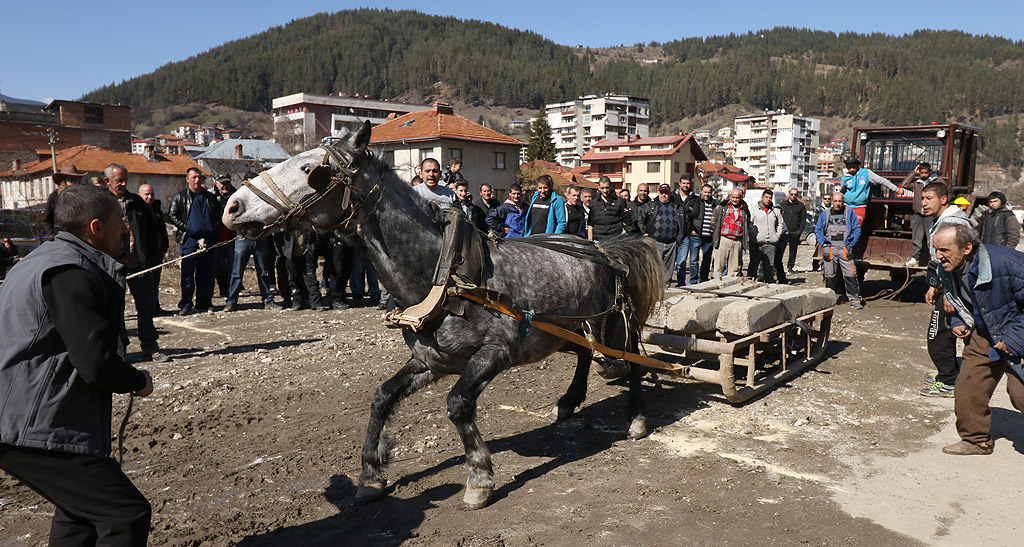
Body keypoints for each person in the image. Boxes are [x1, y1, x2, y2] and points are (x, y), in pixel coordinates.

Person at [0, 184, 155, 545]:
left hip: (25, 416)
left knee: (79, 516)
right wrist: (137, 380)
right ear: (96, 227)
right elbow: (96, 363)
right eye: (121, 222)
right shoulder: (70, 272)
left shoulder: (41, 259)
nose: (126, 229)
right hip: (29, 424)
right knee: (126, 514)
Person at [932, 223, 1024, 455]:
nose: (938, 256)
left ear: (966, 248)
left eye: (944, 250)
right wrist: (959, 322)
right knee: (969, 386)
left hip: (1018, 330)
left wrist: (1014, 340)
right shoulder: (947, 268)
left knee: (1020, 393)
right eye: (936, 249)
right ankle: (976, 441)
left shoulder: (1006, 263)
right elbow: (957, 301)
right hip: (986, 332)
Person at [104, 164, 169, 362]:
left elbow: (153, 232)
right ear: (107, 182)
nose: (123, 184)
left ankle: (150, 346)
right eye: (118, 181)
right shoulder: (100, 204)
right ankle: (120, 352)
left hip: (138, 265)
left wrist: (150, 259)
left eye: (125, 180)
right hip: (111, 267)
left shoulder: (137, 203)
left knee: (145, 307)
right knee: (115, 310)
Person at [919, 181, 974, 397]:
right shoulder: (943, 220)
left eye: (928, 198)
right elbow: (938, 263)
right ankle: (947, 374)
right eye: (922, 198)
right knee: (943, 333)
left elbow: (957, 264)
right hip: (947, 285)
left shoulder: (951, 223)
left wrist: (951, 294)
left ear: (943, 200)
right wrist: (934, 285)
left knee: (938, 335)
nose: (923, 203)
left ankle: (949, 381)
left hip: (955, 289)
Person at [168, 167, 221, 315]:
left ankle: (204, 302)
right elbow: (172, 215)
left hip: (208, 240)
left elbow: (219, 216)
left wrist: (213, 229)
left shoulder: (210, 197)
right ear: (187, 179)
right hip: (189, 240)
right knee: (187, 273)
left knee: (206, 274)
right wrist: (188, 228)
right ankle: (186, 303)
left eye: (199, 177)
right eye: (194, 177)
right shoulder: (180, 197)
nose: (197, 180)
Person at [815, 191, 865, 309]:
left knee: (851, 275)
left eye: (840, 201)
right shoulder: (825, 214)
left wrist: (851, 244)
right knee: (829, 276)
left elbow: (857, 229)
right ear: (832, 202)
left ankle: (855, 300)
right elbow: (818, 230)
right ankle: (829, 300)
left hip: (845, 249)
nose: (837, 204)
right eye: (835, 201)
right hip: (830, 249)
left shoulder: (850, 213)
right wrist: (823, 243)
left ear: (843, 202)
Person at [636, 183, 686, 283]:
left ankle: (666, 287)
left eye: (666, 193)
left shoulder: (677, 207)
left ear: (670, 193)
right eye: (662, 192)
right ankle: (654, 288)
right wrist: (644, 232)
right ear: (658, 192)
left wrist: (679, 238)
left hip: (671, 243)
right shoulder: (651, 205)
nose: (664, 195)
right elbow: (640, 218)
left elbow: (685, 222)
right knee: (654, 267)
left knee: (668, 270)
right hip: (655, 242)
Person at [138, 184, 170, 315]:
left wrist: (164, 246)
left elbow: (162, 230)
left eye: (151, 194)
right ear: (140, 195)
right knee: (144, 283)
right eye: (146, 194)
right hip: (142, 253)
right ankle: (145, 308)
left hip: (156, 252)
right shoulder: (137, 210)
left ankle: (155, 306)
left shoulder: (156, 209)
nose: (149, 197)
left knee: (155, 281)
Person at [840, 156, 899, 226]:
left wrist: (896, 189)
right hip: (847, 205)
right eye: (849, 167)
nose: (852, 169)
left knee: (856, 227)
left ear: (857, 165)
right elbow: (842, 191)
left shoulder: (866, 173)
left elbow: (881, 180)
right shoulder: (844, 178)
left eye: (854, 167)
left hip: (860, 206)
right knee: (846, 226)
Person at [899, 162, 939, 267]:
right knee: (916, 237)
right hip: (918, 214)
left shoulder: (935, 182)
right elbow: (904, 184)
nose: (924, 175)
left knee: (931, 237)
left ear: (930, 172)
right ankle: (915, 258)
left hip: (930, 215)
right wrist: (913, 173)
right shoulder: (917, 183)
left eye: (926, 173)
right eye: (921, 173)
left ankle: (933, 259)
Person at [748, 189, 786, 283]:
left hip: (770, 244)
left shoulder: (775, 211)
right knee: (754, 264)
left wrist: (776, 236)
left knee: (769, 266)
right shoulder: (753, 210)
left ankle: (769, 283)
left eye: (770, 198)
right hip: (756, 243)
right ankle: (750, 283)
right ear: (762, 197)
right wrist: (754, 236)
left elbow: (781, 223)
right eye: (766, 197)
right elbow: (749, 224)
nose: (768, 200)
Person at [712, 188, 749, 279]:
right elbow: (713, 222)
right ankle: (716, 284)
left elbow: (747, 224)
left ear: (741, 198)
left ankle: (730, 287)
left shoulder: (744, 209)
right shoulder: (722, 207)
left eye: (737, 198)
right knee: (718, 266)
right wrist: (717, 234)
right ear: (729, 197)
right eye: (733, 197)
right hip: (723, 239)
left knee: (734, 268)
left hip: (737, 241)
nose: (735, 200)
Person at [42, 164, 86, 239]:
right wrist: (52, 236)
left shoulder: (84, 196)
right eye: (71, 180)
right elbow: (46, 219)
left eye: (76, 179)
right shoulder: (54, 197)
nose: (74, 183)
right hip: (61, 238)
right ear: (64, 181)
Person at [212, 174, 236, 298]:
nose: (225, 186)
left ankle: (231, 291)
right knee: (218, 267)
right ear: (216, 184)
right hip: (216, 237)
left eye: (227, 183)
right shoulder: (211, 197)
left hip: (232, 237)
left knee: (232, 266)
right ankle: (223, 289)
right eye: (222, 183)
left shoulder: (236, 195)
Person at [688, 184, 717, 283]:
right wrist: (691, 229)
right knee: (693, 260)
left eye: (709, 192)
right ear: (701, 192)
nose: (707, 194)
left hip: (709, 236)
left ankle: (703, 280)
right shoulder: (695, 202)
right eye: (705, 192)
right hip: (696, 235)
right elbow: (689, 217)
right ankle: (693, 280)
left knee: (706, 260)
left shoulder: (715, 204)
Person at [588, 176, 628, 242]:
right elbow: (590, 224)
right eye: (602, 188)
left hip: (615, 240)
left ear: (611, 186)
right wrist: (590, 240)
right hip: (598, 240)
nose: (605, 190)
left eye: (607, 188)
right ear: (599, 188)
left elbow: (626, 221)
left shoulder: (620, 201)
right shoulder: (593, 203)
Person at [780, 188, 806, 274]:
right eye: (792, 194)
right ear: (789, 194)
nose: (793, 196)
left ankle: (790, 267)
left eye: (795, 194)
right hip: (784, 232)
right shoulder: (783, 205)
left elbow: (803, 219)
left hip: (795, 232)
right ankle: (777, 266)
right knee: (780, 250)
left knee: (793, 251)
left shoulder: (801, 206)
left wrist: (800, 231)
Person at [811, 193, 831, 273]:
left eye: (829, 199)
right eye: (825, 199)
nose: (827, 200)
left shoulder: (832, 209)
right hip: (820, 233)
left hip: (829, 233)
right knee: (818, 249)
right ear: (823, 199)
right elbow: (814, 221)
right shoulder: (818, 209)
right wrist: (818, 232)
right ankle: (815, 267)